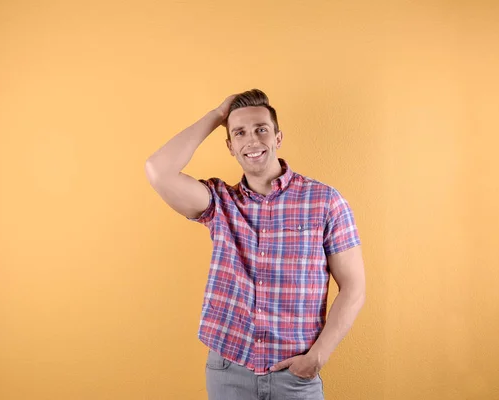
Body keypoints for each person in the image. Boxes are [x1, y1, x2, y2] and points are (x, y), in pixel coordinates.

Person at [145, 89, 366, 400]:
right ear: (230, 146)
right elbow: (158, 171)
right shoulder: (219, 203)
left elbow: (354, 287)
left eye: (261, 129)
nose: (252, 140)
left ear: (278, 137)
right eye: (240, 133)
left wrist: (317, 357)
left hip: (295, 375)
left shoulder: (325, 201)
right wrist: (217, 115)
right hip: (228, 373)